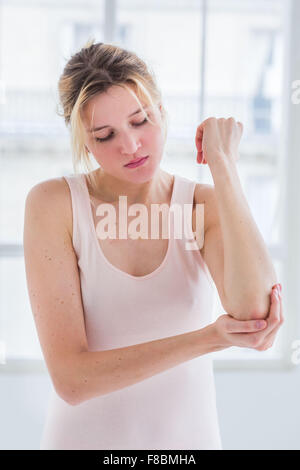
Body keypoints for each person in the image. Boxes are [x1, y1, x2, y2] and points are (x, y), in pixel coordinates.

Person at [23, 40, 284, 450]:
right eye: (105, 135)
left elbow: (256, 315)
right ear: (85, 144)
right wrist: (209, 338)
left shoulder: (202, 205)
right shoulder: (54, 205)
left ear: (161, 111)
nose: (130, 145)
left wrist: (224, 164)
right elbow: (72, 380)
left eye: (140, 121)